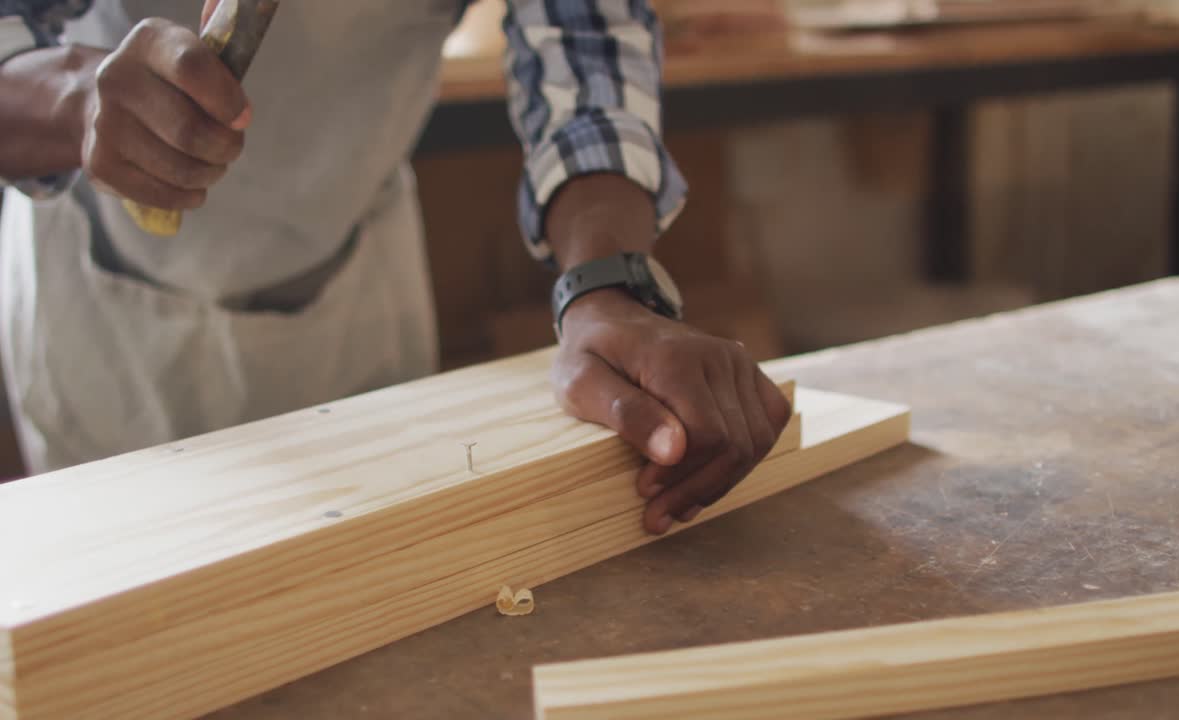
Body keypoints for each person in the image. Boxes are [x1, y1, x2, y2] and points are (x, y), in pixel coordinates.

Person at [0, 0, 790, 534]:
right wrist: (78, 98)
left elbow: (583, 46)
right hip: (97, 303)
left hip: (352, 288)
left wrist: (607, 289)